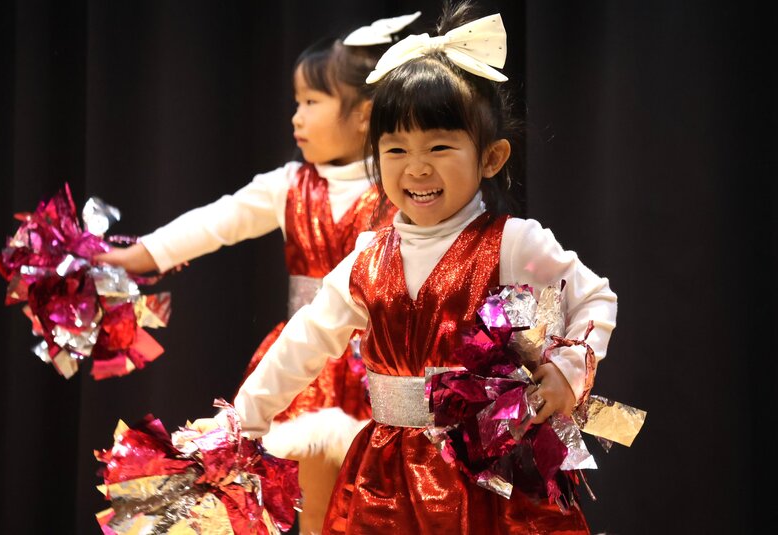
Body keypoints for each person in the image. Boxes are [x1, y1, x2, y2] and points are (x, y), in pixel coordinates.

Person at [232, 2, 618, 533]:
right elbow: (304, 342)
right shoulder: (367, 259)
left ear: (491, 158)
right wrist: (242, 421)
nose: (416, 167)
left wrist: (567, 374)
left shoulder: (512, 242)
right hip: (385, 478)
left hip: (484, 474)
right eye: (396, 150)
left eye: (439, 147)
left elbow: (594, 298)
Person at [95, 11, 422, 535]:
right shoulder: (288, 185)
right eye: (296, 102)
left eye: (311, 102)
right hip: (308, 365)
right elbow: (217, 221)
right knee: (315, 506)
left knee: (380, 507)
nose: (296, 117)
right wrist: (143, 254)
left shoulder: (401, 186)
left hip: (383, 371)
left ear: (364, 115)